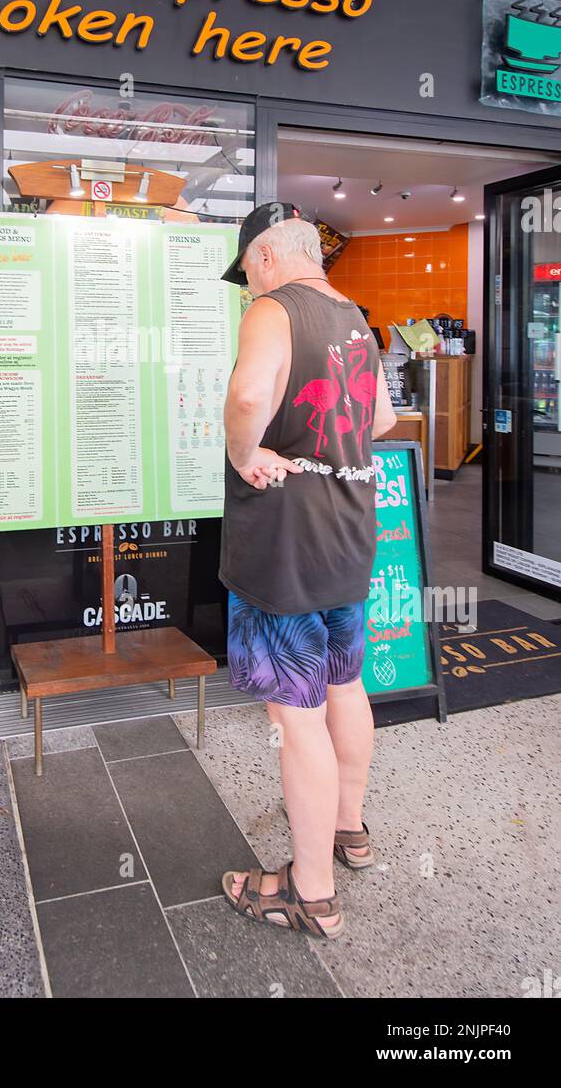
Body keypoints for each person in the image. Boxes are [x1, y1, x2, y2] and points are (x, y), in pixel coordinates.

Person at [217, 202, 397, 939]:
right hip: (351, 530)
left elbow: (250, 396)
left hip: (285, 539)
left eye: (245, 274)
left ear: (263, 257)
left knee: (298, 716)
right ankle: (348, 831)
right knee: (345, 684)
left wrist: (244, 452)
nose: (246, 286)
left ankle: (310, 893)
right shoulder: (353, 312)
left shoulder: (272, 309)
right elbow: (382, 420)